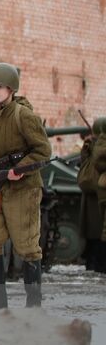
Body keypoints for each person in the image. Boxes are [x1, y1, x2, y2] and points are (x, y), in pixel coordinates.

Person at [0, 63, 52, 312]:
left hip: (24, 189)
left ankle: (33, 302)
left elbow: (43, 151)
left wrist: (21, 169)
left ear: (11, 89)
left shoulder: (23, 116)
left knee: (27, 245)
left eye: (0, 87)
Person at [76, 117, 106, 273]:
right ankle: (99, 264)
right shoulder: (101, 144)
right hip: (100, 190)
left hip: (91, 192)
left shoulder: (91, 143)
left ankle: (92, 262)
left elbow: (84, 160)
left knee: (93, 232)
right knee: (100, 232)